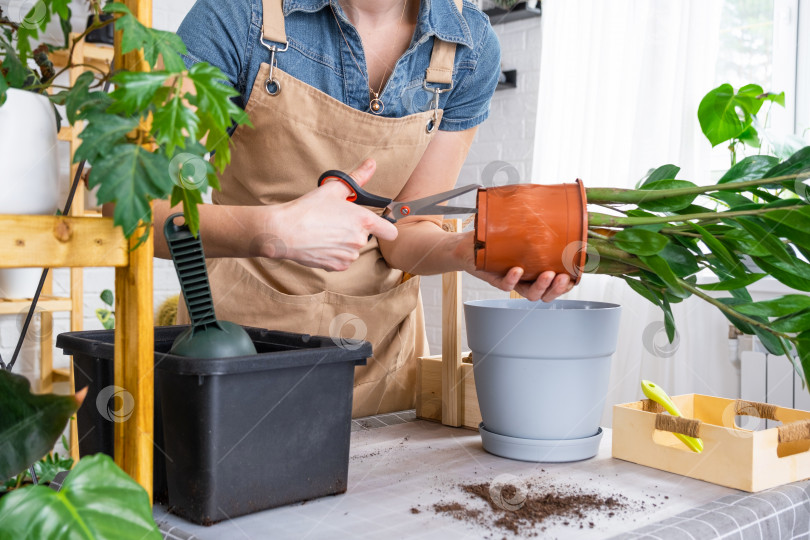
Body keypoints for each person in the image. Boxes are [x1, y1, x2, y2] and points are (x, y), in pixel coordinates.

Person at [153, 0, 573, 417]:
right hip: (241, 359)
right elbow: (143, 213)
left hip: (380, 367)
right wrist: (274, 231)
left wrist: (466, 251)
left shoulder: (468, 45)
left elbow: (406, 229)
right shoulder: (235, 15)